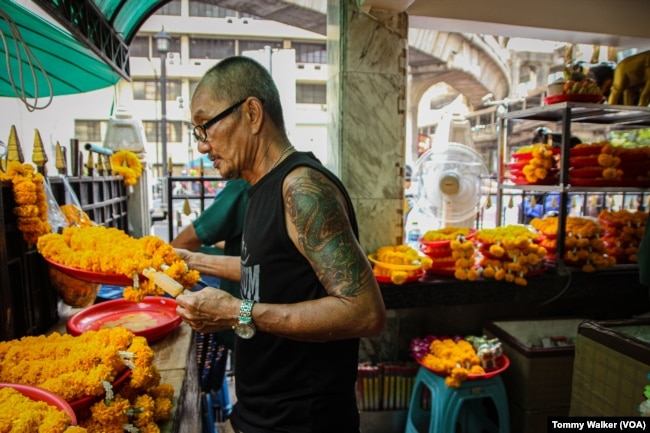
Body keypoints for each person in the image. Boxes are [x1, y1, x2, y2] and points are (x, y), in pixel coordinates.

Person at [174, 55, 387, 433]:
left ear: (252, 113)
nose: (203, 145)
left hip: (303, 423)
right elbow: (271, 273)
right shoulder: (257, 191)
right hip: (259, 414)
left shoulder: (302, 189)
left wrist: (237, 313)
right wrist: (190, 260)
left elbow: (365, 312)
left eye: (205, 126)